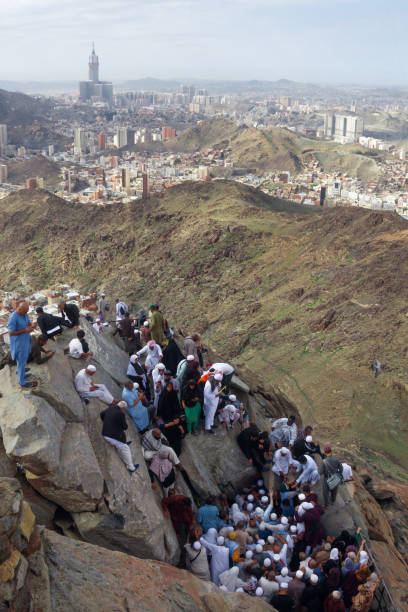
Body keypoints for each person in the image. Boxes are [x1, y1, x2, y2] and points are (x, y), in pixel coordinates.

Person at [100, 401, 139, 473]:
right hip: (110, 436)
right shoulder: (121, 414)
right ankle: (131, 468)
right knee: (125, 448)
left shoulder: (111, 407)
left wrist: (106, 422)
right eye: (125, 409)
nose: (125, 410)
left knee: (121, 432)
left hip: (105, 432)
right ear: (123, 408)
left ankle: (123, 442)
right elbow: (125, 427)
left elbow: (101, 414)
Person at [8, 301, 38, 388]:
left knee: (23, 360)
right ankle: (22, 382)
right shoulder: (13, 318)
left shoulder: (23, 314)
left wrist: (31, 325)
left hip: (25, 341)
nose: (26, 313)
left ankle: (22, 373)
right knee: (21, 362)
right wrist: (25, 330)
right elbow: (11, 333)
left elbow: (28, 322)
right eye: (25, 311)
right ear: (19, 309)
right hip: (19, 344)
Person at [157, 381, 184, 455]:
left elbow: (177, 405)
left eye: (171, 387)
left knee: (176, 432)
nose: (169, 389)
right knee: (169, 433)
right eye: (168, 387)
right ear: (166, 387)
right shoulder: (163, 394)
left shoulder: (173, 394)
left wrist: (177, 416)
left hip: (174, 415)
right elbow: (160, 405)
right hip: (166, 417)